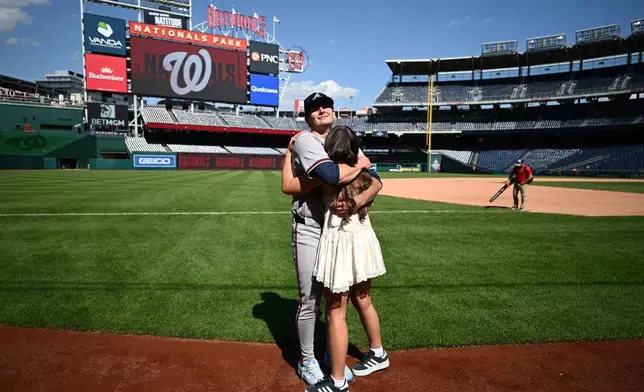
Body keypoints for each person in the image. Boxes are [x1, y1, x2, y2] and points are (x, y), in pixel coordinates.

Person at [281, 92, 383, 387]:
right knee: (310, 299)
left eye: (326, 105)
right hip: (312, 228)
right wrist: (361, 164)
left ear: (334, 112)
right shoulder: (305, 140)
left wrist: (357, 200)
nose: (321, 110)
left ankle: (331, 355)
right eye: (314, 108)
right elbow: (329, 174)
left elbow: (377, 180)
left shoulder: (342, 137)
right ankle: (307, 359)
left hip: (337, 231)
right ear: (308, 116)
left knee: (335, 300)